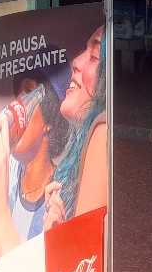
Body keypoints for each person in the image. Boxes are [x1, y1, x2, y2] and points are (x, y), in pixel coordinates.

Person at [0, 68, 70, 255]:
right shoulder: (6, 169)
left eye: (29, 91)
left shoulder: (58, 196)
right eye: (18, 93)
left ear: (50, 120)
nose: (18, 102)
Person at [42, 25, 108, 232]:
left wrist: (0, 217)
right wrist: (58, 230)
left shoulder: (103, 129)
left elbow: (83, 248)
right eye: (83, 50)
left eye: (94, 56)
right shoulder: (77, 149)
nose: (76, 62)